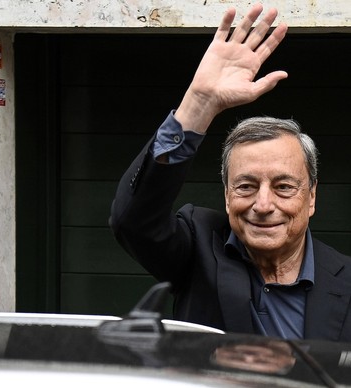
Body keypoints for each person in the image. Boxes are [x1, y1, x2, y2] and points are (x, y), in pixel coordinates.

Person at [109, 4, 351, 341]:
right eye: (246, 186)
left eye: (283, 186)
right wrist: (200, 101)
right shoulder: (198, 249)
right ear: (226, 195)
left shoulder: (347, 281)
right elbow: (133, 220)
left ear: (310, 197)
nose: (263, 204)